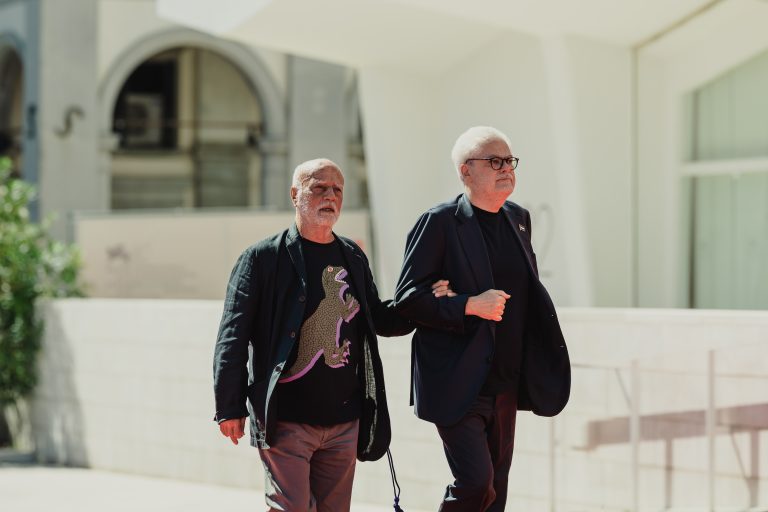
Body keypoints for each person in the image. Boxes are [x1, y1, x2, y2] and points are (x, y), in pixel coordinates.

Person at [213, 158, 445, 511]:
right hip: (285, 419)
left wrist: (426, 302)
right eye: (319, 187)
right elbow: (233, 334)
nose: (330, 196)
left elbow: (379, 319)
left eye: (337, 189)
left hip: (343, 421)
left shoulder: (351, 254)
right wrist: (229, 405)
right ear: (295, 194)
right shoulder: (262, 258)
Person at [394, 126, 571, 511]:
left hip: (506, 382)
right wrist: (468, 304)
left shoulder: (518, 218)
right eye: (494, 161)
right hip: (458, 381)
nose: (506, 168)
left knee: (496, 491)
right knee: (475, 483)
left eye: (509, 160)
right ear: (465, 171)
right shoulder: (439, 222)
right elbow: (408, 301)